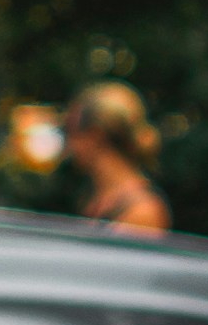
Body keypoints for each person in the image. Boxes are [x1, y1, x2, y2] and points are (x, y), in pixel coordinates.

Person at [64, 82, 169, 235]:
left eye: (72, 132)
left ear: (95, 136)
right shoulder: (97, 197)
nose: (69, 144)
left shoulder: (142, 211)